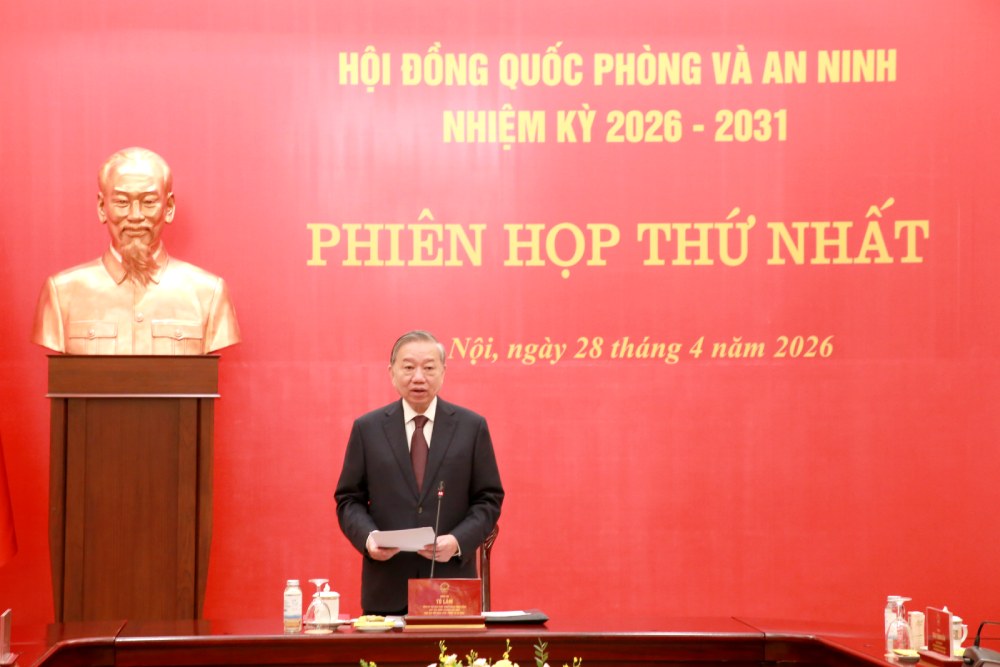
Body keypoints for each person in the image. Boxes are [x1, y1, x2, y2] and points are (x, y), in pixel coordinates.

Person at [335, 330, 504, 616]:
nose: (418, 377)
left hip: (451, 589)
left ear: (443, 372)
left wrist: (457, 542)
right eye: (408, 367)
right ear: (391, 372)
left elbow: (488, 499)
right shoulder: (367, 429)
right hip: (387, 588)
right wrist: (369, 538)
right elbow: (349, 499)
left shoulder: (471, 427)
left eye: (428, 368)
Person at [31, 147, 240, 355]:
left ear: (168, 207)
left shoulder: (208, 294)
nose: (135, 216)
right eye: (122, 202)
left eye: (149, 202)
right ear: (102, 207)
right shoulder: (61, 294)